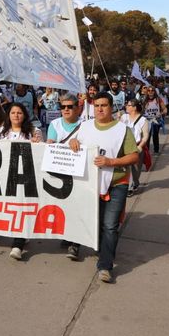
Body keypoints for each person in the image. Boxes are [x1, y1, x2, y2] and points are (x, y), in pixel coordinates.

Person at [68, 92, 139, 283]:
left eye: (104, 105)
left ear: (111, 107)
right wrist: (72, 142)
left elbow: (134, 156)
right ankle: (88, 247)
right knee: (94, 222)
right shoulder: (85, 126)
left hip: (116, 183)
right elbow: (73, 143)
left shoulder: (123, 130)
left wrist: (111, 161)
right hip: (90, 184)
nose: (100, 109)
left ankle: (105, 266)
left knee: (110, 225)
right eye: (96, 105)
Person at [0, 102, 42, 260]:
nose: (16, 115)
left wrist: (37, 143)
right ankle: (22, 234)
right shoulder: (2, 133)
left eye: (19, 113)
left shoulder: (33, 132)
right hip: (9, 177)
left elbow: (40, 152)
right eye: (13, 113)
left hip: (27, 176)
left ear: (24, 115)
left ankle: (18, 244)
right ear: (8, 116)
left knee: (23, 207)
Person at [46, 94, 83, 261]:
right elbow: (50, 145)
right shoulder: (54, 124)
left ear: (77, 108)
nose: (66, 110)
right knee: (63, 207)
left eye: (70, 106)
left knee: (77, 208)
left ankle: (75, 243)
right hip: (60, 173)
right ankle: (67, 235)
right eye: (63, 107)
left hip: (79, 174)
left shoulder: (86, 125)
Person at [120, 99, 149, 196]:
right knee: (126, 167)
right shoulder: (124, 117)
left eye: (128, 105)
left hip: (137, 146)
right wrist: (118, 119)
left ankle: (135, 183)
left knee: (136, 169)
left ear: (134, 107)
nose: (126, 107)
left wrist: (140, 146)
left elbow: (145, 135)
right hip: (124, 146)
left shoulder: (143, 120)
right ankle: (129, 187)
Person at [143, 86, 166, 154]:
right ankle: (146, 152)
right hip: (147, 121)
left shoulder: (158, 99)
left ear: (154, 92)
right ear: (147, 92)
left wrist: (161, 113)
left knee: (155, 135)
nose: (150, 92)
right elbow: (141, 111)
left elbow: (165, 109)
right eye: (149, 90)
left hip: (156, 120)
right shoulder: (144, 100)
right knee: (147, 136)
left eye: (152, 90)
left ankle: (156, 150)